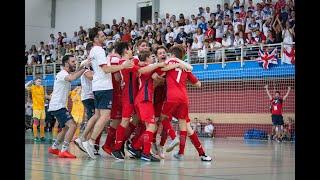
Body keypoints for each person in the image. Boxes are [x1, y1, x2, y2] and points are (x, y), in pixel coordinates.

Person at [82, 28, 133, 160]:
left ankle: (84, 139)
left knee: (98, 115)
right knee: (105, 116)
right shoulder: (98, 50)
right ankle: (91, 142)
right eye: (101, 35)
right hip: (104, 87)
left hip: (98, 86)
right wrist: (123, 66)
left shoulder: (94, 50)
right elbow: (106, 69)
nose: (104, 36)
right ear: (95, 39)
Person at [48, 54, 90, 158]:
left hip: (59, 105)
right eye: (73, 62)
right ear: (66, 63)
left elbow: (75, 73)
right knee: (73, 125)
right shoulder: (62, 73)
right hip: (58, 106)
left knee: (66, 128)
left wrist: (82, 66)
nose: (75, 63)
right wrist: (84, 68)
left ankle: (54, 148)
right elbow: (73, 77)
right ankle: (64, 150)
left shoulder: (66, 73)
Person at [25, 77, 48, 142]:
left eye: (40, 81)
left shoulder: (42, 87)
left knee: (42, 123)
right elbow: (25, 86)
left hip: (42, 108)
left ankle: (42, 137)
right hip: (36, 109)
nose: (39, 82)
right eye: (38, 81)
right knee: (36, 123)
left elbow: (44, 96)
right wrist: (30, 81)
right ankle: (35, 137)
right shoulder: (32, 87)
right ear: (35, 82)